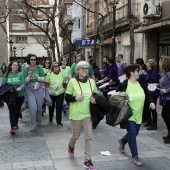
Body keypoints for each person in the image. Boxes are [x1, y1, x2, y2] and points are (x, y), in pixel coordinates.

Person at [117, 64, 155, 166]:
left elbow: (147, 95)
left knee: (134, 133)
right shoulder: (124, 84)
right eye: (137, 71)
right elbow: (116, 97)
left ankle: (122, 140)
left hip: (139, 114)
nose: (139, 72)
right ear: (131, 73)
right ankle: (135, 156)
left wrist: (151, 102)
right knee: (132, 134)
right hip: (129, 115)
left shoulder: (141, 83)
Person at [65, 61, 98, 170]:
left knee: (88, 137)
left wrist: (94, 100)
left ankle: (87, 160)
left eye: (87, 68)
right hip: (76, 114)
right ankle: (71, 146)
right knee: (76, 135)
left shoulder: (91, 82)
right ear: (77, 70)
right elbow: (67, 98)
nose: (85, 70)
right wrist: (75, 98)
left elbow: (96, 94)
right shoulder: (72, 82)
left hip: (88, 114)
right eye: (82, 68)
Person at [23, 54, 45, 132]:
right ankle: (33, 125)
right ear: (29, 60)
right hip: (30, 89)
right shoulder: (26, 69)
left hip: (39, 88)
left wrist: (38, 78)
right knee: (33, 107)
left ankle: (39, 117)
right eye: (31, 59)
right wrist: (28, 77)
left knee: (39, 107)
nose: (33, 61)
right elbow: (25, 81)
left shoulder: (39, 68)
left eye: (34, 59)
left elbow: (43, 78)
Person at [2, 61, 25, 135]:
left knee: (18, 110)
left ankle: (16, 123)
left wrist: (20, 88)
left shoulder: (20, 74)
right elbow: (3, 85)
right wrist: (9, 88)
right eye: (14, 65)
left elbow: (23, 83)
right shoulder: (7, 75)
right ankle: (12, 127)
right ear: (11, 66)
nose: (16, 66)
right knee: (12, 111)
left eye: (17, 65)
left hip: (19, 95)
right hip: (11, 96)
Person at [158, 56, 170, 144]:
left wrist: (166, 90)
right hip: (166, 98)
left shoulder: (169, 74)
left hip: (169, 98)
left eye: (161, 61)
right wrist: (157, 85)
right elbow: (162, 83)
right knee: (165, 115)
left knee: (166, 116)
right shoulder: (164, 73)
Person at [145, 59, 159, 130]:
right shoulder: (149, 71)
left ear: (150, 64)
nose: (146, 63)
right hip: (149, 91)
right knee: (148, 107)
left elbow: (153, 81)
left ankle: (154, 124)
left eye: (148, 62)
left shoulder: (153, 72)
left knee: (152, 108)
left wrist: (146, 80)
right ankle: (149, 121)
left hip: (153, 92)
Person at [135, 58, 148, 123]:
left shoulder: (143, 70)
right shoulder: (138, 69)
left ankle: (145, 117)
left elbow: (144, 79)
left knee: (144, 103)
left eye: (136, 62)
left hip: (143, 86)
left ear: (139, 63)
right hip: (139, 86)